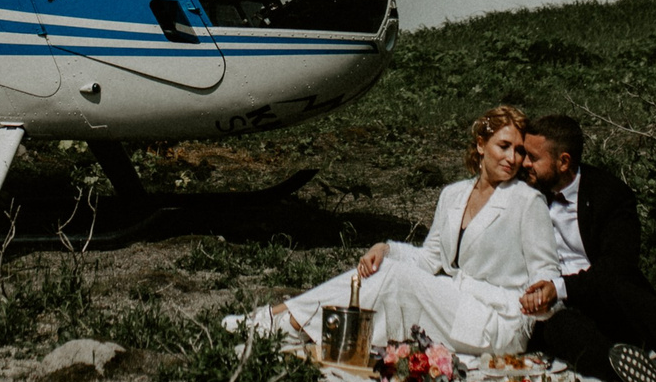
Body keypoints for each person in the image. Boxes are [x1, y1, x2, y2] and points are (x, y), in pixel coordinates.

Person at [239, 105, 559, 355]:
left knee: (393, 276)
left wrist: (543, 296)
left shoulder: (526, 201)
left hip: (498, 323)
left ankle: (282, 320)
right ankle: (284, 318)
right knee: (381, 268)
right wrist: (385, 248)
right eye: (504, 146)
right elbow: (430, 258)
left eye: (519, 151)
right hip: (452, 307)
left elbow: (548, 276)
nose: (512, 158)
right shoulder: (454, 195)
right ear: (480, 145)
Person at [518, 113, 656, 382]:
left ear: (564, 162)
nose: (524, 164)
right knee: (559, 328)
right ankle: (628, 370)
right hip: (560, 307)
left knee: (624, 287)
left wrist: (561, 288)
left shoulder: (608, 194)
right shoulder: (523, 194)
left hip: (601, 293)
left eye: (533, 157)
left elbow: (617, 265)